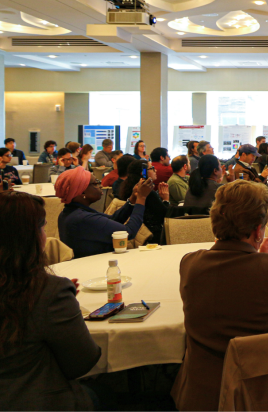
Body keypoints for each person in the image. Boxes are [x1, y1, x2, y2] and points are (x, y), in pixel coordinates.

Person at [171, 180, 268, 411]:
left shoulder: (189, 264)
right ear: (259, 230)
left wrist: (260, 256)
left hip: (200, 395)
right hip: (257, 394)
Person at [0, 192, 102, 410]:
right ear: (29, 237)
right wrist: (61, 305)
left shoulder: (49, 294)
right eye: (43, 228)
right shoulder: (47, 292)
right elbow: (82, 362)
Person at [57, 167, 151, 258]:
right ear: (82, 192)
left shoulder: (71, 212)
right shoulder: (82, 218)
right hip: (95, 269)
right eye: (96, 183)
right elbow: (128, 232)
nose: (101, 185)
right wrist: (141, 198)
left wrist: (132, 199)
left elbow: (114, 219)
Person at [119, 160, 170, 242]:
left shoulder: (130, 188)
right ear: (143, 173)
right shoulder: (146, 193)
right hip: (151, 237)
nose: (155, 170)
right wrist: (166, 200)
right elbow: (165, 216)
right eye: (152, 168)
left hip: (138, 234)